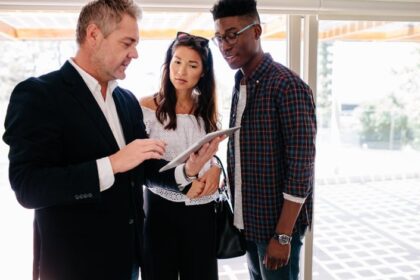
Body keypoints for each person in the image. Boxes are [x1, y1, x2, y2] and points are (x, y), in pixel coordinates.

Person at [2, 1, 221, 279]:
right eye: (127, 43)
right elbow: (28, 188)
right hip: (73, 266)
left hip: (128, 263)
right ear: (94, 35)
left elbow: (145, 169)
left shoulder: (125, 100)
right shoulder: (39, 96)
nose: (135, 54)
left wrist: (187, 170)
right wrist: (112, 164)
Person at [210, 0, 317, 279]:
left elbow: (301, 168)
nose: (225, 45)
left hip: (276, 229)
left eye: (232, 34)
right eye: (219, 37)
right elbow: (253, 149)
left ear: (256, 31)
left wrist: (282, 236)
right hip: (249, 223)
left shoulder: (286, 85)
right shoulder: (241, 83)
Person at [140, 31, 221, 280]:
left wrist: (217, 170)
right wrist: (185, 179)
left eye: (192, 65)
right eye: (177, 61)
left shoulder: (207, 110)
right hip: (161, 211)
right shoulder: (146, 107)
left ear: (203, 72)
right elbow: (141, 167)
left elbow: (212, 154)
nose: (181, 71)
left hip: (202, 212)